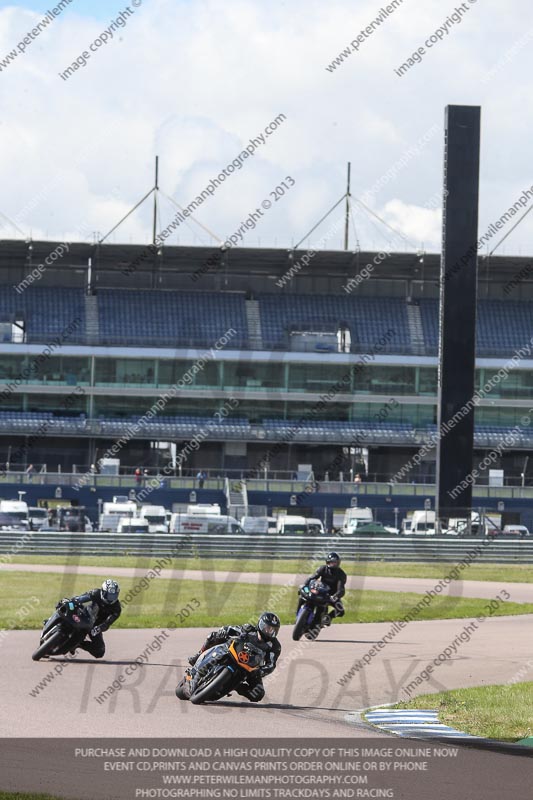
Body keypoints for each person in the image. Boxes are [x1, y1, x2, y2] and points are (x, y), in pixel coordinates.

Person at [187, 612, 281, 702]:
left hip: (251, 668)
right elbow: (229, 629)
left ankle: (235, 686)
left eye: (273, 630)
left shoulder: (275, 646)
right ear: (261, 625)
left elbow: (271, 664)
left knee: (258, 694)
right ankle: (198, 655)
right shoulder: (248, 629)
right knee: (212, 636)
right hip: (232, 653)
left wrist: (260, 671)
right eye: (267, 628)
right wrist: (223, 632)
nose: (269, 631)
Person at [56, 579, 121, 658]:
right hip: (84, 615)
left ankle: (78, 644)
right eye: (109, 595)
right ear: (103, 592)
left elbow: (107, 623)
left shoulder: (116, 608)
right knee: (64, 606)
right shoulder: (95, 593)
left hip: (94, 626)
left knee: (100, 651)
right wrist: (72, 601)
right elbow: (81, 598)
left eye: (113, 596)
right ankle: (53, 621)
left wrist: (99, 628)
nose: (111, 598)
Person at [298, 552, 347, 626]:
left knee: (341, 610)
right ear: (327, 562)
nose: (333, 564)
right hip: (320, 591)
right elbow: (312, 578)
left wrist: (335, 596)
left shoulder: (341, 574)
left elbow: (341, 590)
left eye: (335, 562)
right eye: (331, 562)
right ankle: (298, 612)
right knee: (302, 595)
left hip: (331, 595)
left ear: (338, 563)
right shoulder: (322, 568)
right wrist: (304, 585)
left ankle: (328, 618)